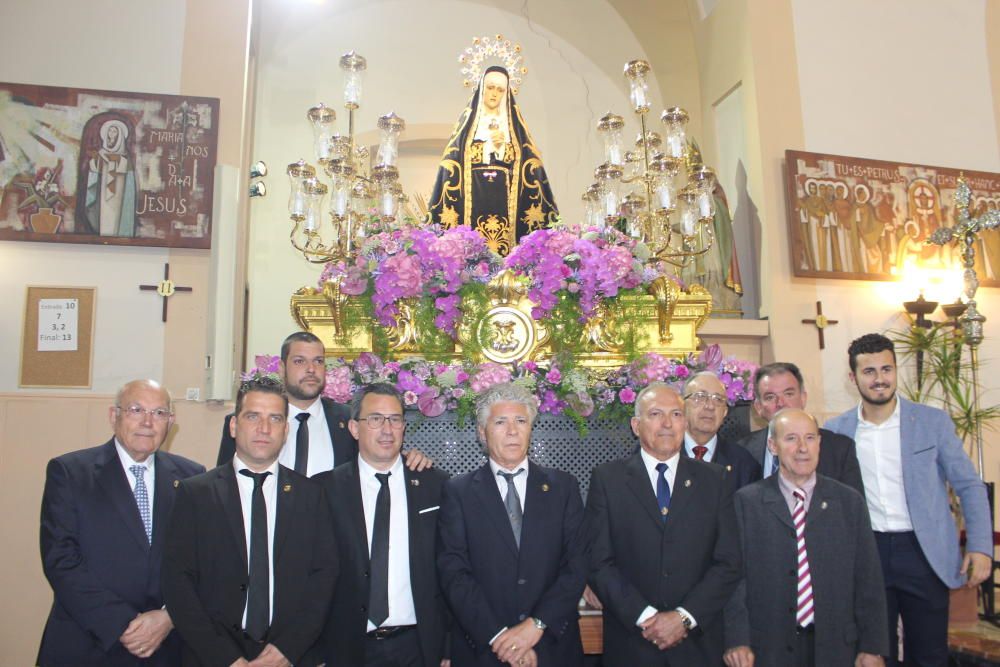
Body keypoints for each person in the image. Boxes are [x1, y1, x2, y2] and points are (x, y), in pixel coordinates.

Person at [826, 333, 992, 666]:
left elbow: (969, 486)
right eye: (869, 371)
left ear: (895, 371)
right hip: (867, 553)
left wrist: (980, 547)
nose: (880, 379)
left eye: (886, 369)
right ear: (853, 378)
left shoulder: (932, 423)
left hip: (923, 552)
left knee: (929, 654)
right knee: (875, 652)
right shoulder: (837, 431)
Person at [162, 378, 337, 666]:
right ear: (233, 425)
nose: (264, 429)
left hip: (290, 657)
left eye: (275, 418)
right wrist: (225, 658)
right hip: (211, 657)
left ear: (285, 430)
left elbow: (324, 577)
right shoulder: (195, 494)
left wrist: (287, 650)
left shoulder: (312, 496)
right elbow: (178, 584)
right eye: (253, 416)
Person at [37, 379, 204, 666]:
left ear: (171, 421)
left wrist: (169, 616)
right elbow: (61, 560)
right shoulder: (71, 473)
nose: (148, 422)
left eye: (159, 413)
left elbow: (203, 561)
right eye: (136, 410)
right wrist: (122, 625)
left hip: (166, 646)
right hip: (88, 642)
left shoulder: (192, 478)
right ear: (114, 416)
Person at [586, 383, 740, 666]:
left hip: (696, 645)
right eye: (656, 414)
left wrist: (683, 617)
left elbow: (729, 562)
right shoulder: (608, 480)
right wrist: (646, 617)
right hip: (633, 642)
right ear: (636, 425)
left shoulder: (715, 480)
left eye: (677, 415)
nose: (668, 424)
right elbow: (599, 563)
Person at [723, 408, 887, 667]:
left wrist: (873, 647)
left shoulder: (848, 502)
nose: (802, 448)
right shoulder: (746, 502)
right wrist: (737, 639)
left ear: (819, 443)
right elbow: (734, 579)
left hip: (837, 648)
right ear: (772, 446)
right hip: (767, 649)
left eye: (810, 438)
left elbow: (869, 579)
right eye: (791, 439)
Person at [438, 382, 586, 666]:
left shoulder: (563, 487)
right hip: (485, 649)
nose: (512, 430)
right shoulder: (458, 491)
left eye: (521, 421)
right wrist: (501, 639)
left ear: (531, 428)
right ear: (482, 433)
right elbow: (454, 572)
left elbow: (577, 566)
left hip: (552, 645)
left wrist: (535, 628)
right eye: (500, 422)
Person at [316, 384, 450, 666]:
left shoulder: (434, 484)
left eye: (395, 419)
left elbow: (450, 569)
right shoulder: (325, 490)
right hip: (346, 648)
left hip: (418, 647)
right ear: (354, 428)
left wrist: (447, 648)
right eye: (375, 419)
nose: (387, 429)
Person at [217, 331, 431, 475]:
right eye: (300, 361)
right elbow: (226, 483)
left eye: (318, 361)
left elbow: (379, 461)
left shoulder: (349, 420)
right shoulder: (247, 424)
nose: (311, 369)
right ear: (282, 368)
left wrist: (410, 460)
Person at [428, 66, 557, 256]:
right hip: (471, 199)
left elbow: (531, 167)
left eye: (500, 89)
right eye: (490, 87)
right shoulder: (467, 128)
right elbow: (451, 164)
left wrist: (503, 148)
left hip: (506, 201)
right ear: (481, 88)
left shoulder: (512, 128)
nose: (494, 94)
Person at [738, 362, 865, 496]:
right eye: (770, 397)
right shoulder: (743, 451)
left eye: (789, 394)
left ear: (803, 398)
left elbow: (853, 510)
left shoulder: (839, 449)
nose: (780, 403)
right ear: (758, 407)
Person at [681, 371, 761, 489]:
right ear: (682, 405)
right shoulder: (663, 452)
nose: (710, 406)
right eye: (700, 397)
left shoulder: (744, 463)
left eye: (718, 399)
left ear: (725, 412)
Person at [80, 117, 137, 237]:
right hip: (102, 197)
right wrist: (95, 165)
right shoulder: (101, 154)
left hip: (119, 197)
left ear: (120, 135)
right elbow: (94, 174)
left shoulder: (125, 158)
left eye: (115, 131)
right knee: (103, 220)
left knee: (116, 221)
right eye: (110, 131)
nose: (112, 133)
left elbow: (130, 184)